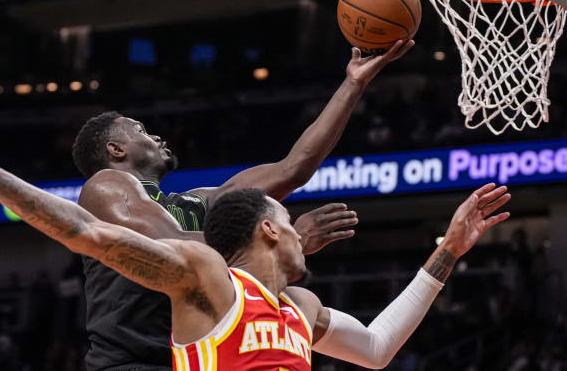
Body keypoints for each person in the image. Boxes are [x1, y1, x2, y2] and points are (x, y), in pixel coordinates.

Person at [0, 137, 510, 370]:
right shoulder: (208, 278)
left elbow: (376, 349)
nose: (301, 233)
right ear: (267, 231)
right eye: (289, 222)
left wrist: (447, 253)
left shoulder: (298, 308)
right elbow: (88, 234)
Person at [71, 40, 414, 369]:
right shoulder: (105, 186)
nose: (156, 136)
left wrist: (353, 84)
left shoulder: (197, 202)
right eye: (141, 130)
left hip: (195, 359)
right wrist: (282, 242)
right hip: (132, 364)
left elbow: (293, 168)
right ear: (116, 150)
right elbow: (170, 246)